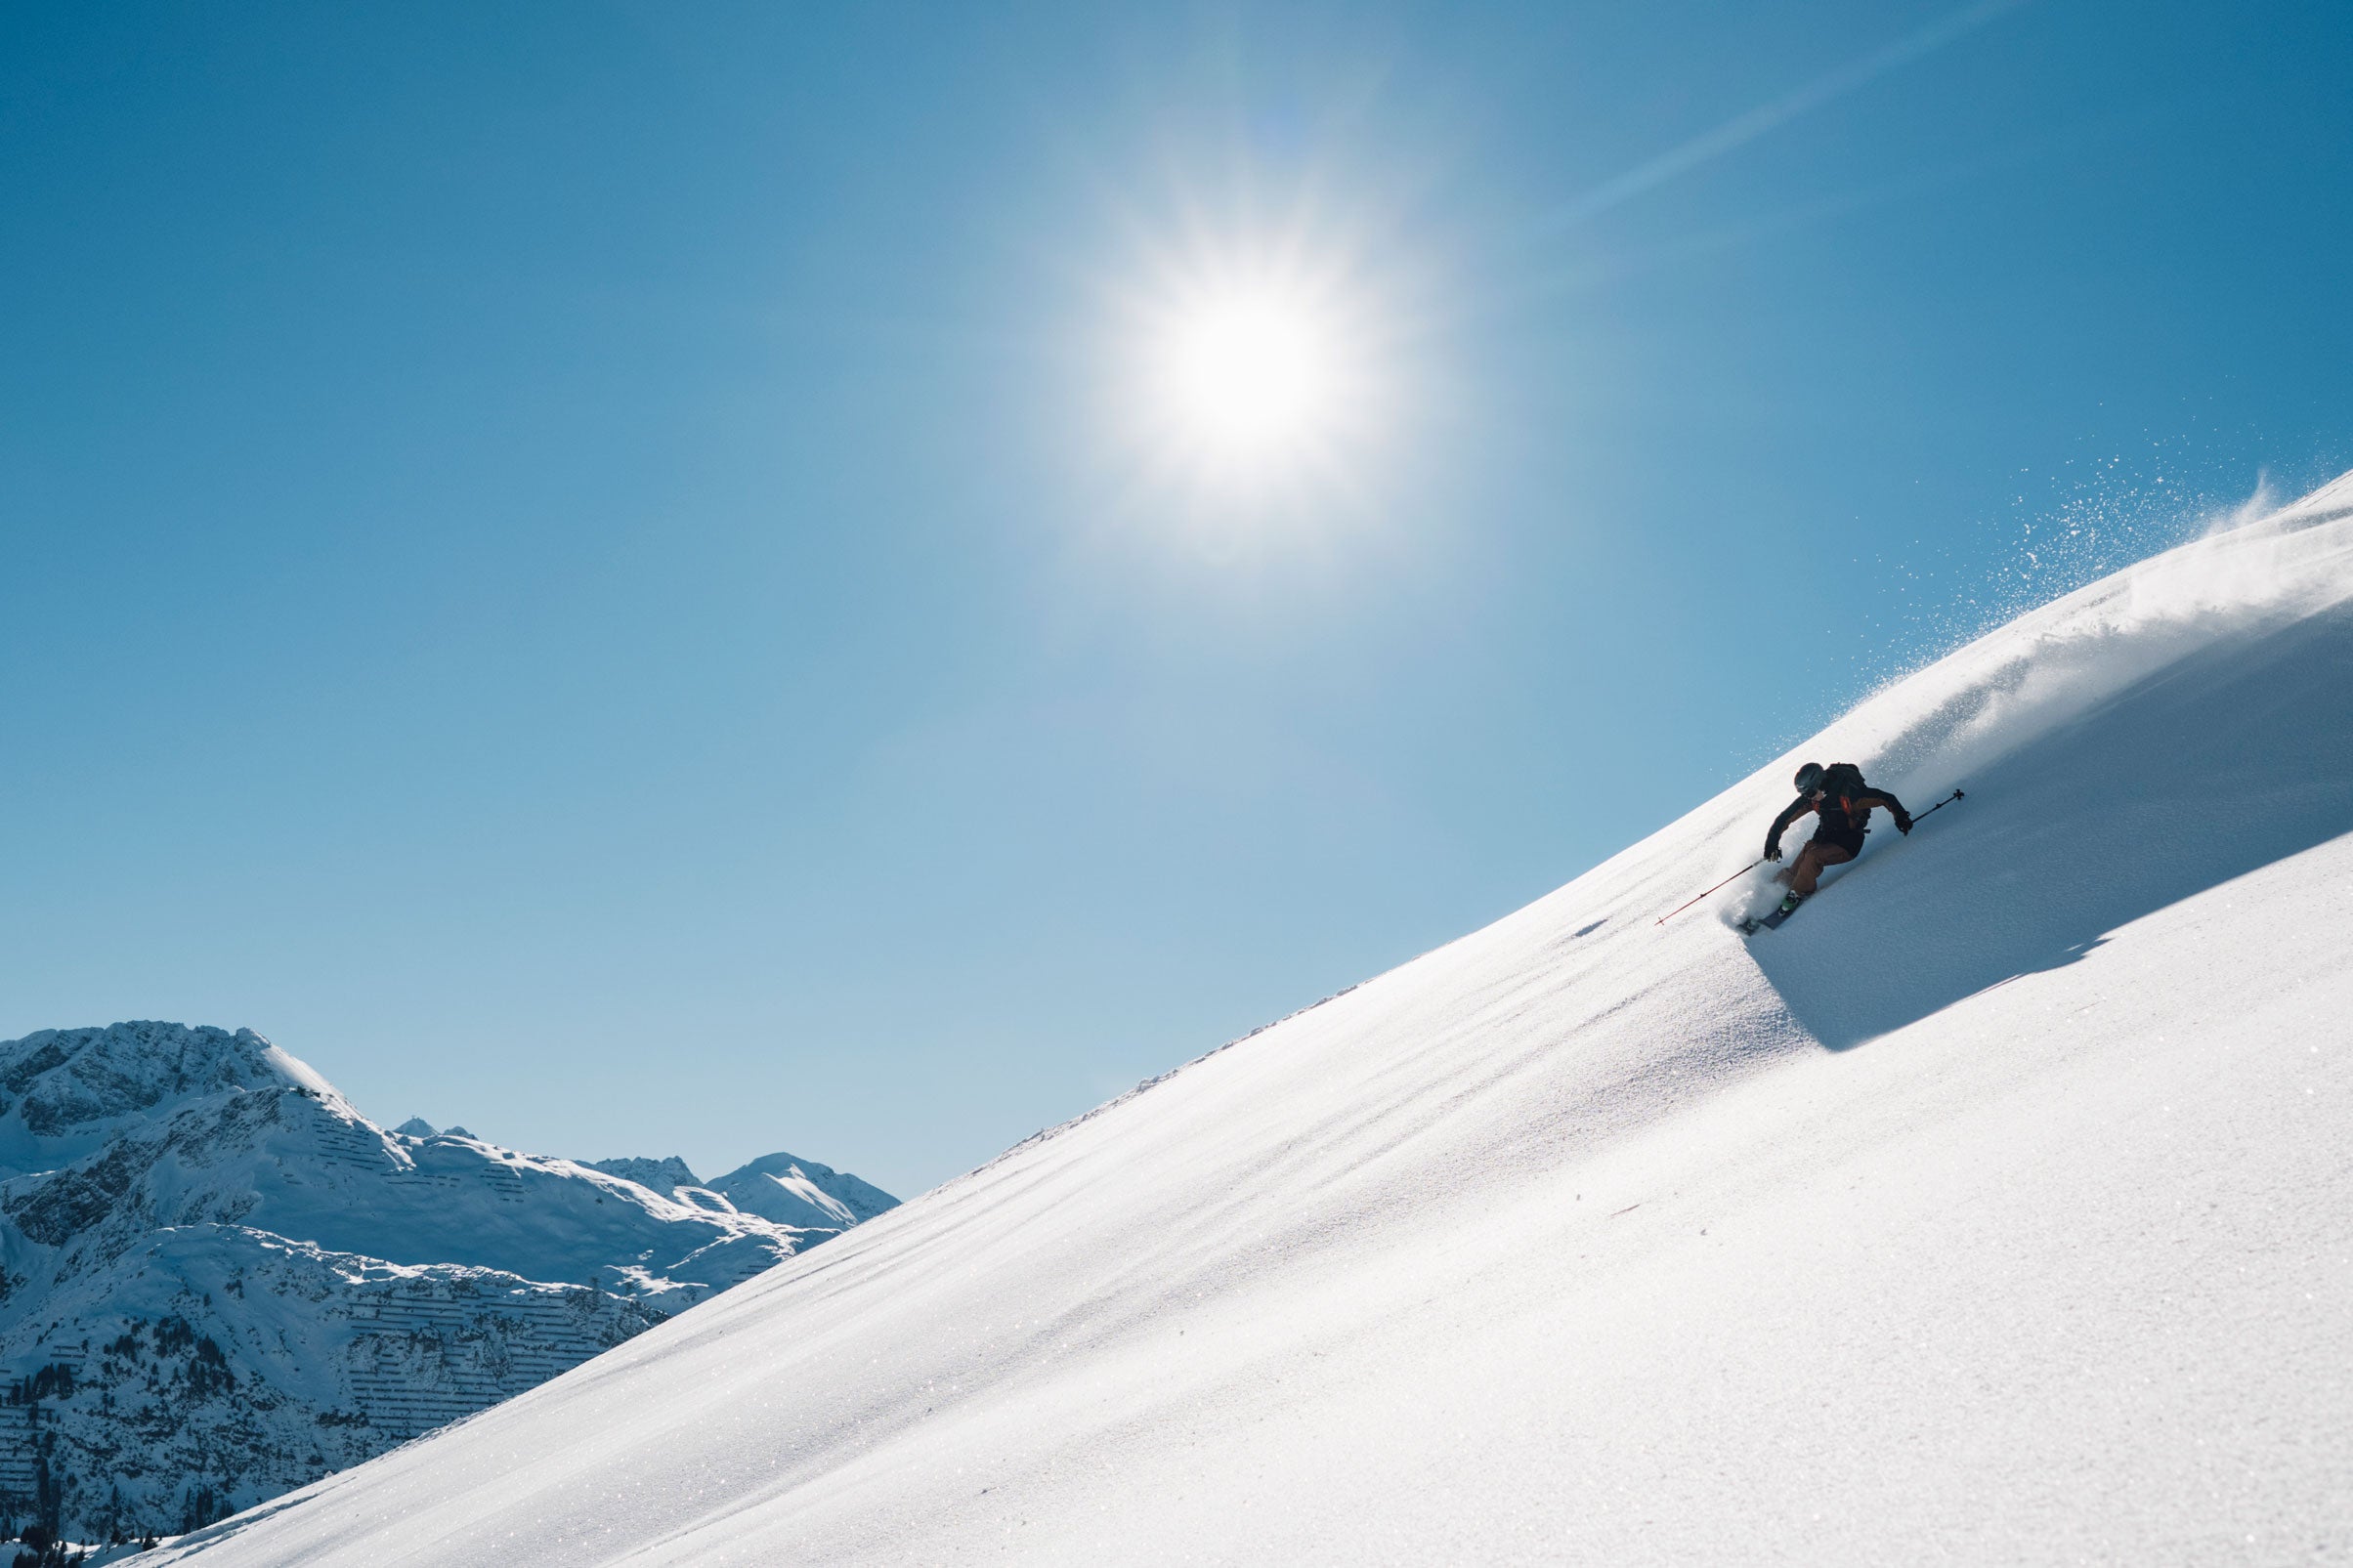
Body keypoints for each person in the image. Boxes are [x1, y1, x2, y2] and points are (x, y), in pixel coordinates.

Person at [1762, 761, 1912, 916]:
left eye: (1812, 793)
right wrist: (1771, 844)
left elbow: (1885, 798)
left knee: (1813, 857)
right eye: (1806, 795)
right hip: (1824, 838)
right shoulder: (1813, 797)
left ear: (1820, 783)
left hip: (1848, 844)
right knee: (1807, 852)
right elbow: (1784, 818)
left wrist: (1901, 817)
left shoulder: (1850, 795)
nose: (1810, 798)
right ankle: (1770, 892)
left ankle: (1797, 893)